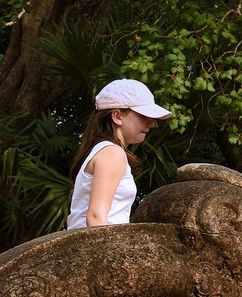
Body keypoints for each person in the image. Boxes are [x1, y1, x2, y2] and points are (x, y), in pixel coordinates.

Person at [66, 78, 172, 229]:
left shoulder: (103, 150)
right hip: (95, 246)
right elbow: (96, 218)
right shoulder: (112, 153)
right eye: (143, 115)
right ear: (117, 116)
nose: (151, 123)